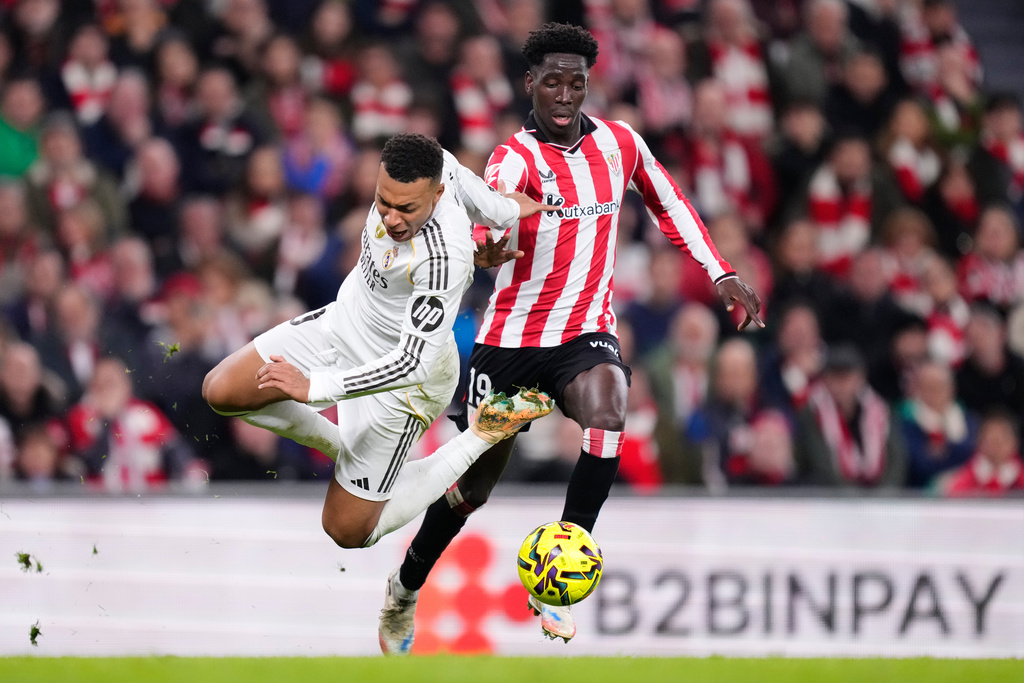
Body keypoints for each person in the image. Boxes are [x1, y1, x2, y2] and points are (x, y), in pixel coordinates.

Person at [381, 23, 764, 653]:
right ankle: (405, 588)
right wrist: (489, 247)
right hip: (510, 344)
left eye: (576, 82)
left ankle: (554, 579)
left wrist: (719, 270)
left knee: (610, 411)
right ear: (530, 83)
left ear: (589, 84)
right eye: (552, 81)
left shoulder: (619, 144)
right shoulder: (514, 159)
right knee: (470, 491)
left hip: (585, 334)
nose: (565, 93)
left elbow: (669, 203)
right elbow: (486, 227)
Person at [202, 133, 556, 552]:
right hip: (342, 325)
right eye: (383, 202)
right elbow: (494, 207)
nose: (390, 219)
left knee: (346, 531)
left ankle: (482, 434)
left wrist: (314, 388)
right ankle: (347, 451)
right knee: (221, 391)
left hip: (401, 384)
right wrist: (515, 207)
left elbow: (412, 363)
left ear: (437, 193)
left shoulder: (444, 260)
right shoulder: (438, 164)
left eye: (406, 209)